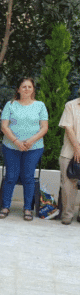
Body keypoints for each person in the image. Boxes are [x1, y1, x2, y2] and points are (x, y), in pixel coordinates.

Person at [0, 77, 49, 221]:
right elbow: (4, 126)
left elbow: (44, 127)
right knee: (11, 177)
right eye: (23, 86)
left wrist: (30, 141)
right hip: (11, 147)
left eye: (29, 87)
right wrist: (16, 141)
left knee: (28, 177)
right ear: (18, 89)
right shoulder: (10, 105)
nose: (26, 89)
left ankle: (28, 209)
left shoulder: (40, 105)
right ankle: (5, 206)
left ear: (33, 89)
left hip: (34, 147)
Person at [58, 95, 80, 225]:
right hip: (69, 152)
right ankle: (67, 215)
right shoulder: (70, 105)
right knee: (68, 186)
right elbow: (68, 127)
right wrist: (77, 148)